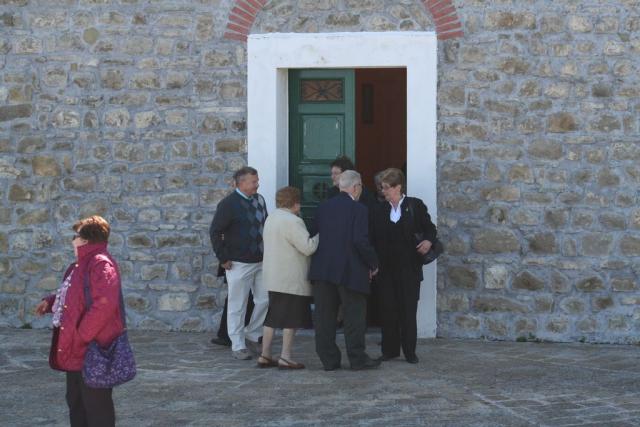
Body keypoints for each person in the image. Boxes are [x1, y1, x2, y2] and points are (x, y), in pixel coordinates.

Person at [35, 215, 124, 427]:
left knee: (96, 407)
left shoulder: (101, 264)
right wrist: (51, 302)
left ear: (85, 240)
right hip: (75, 348)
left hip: (92, 349)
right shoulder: (79, 265)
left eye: (75, 236)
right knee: (76, 402)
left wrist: (82, 335)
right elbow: (75, 296)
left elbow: (104, 305)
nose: (72, 240)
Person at [309, 170, 381, 371]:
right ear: (356, 187)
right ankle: (357, 359)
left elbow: (313, 234)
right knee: (354, 317)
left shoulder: (322, 207)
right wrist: (373, 263)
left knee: (324, 317)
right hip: (351, 269)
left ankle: (329, 360)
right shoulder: (359, 209)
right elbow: (360, 241)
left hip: (323, 269)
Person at [370, 168, 437, 364]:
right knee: (388, 310)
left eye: (386, 188)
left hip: (409, 269)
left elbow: (430, 229)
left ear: (398, 187)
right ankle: (389, 350)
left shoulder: (415, 205)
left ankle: (409, 351)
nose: (383, 191)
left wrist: (428, 241)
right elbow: (373, 238)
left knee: (408, 311)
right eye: (382, 188)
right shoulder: (379, 210)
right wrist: (372, 264)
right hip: (386, 270)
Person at [209, 166, 269, 360]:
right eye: (254, 181)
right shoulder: (228, 204)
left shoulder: (260, 200)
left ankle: (252, 334)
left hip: (261, 261)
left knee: (264, 300)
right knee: (237, 304)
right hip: (238, 263)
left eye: (257, 180)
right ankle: (237, 345)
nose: (257, 184)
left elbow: (265, 225)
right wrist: (223, 258)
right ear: (241, 183)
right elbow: (215, 231)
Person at [259, 187, 319, 370]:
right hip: (291, 279)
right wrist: (320, 235)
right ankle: (285, 356)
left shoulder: (271, 218)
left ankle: (265, 354)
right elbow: (308, 247)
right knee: (291, 319)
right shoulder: (293, 221)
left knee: (272, 317)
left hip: (273, 277)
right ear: (296, 203)